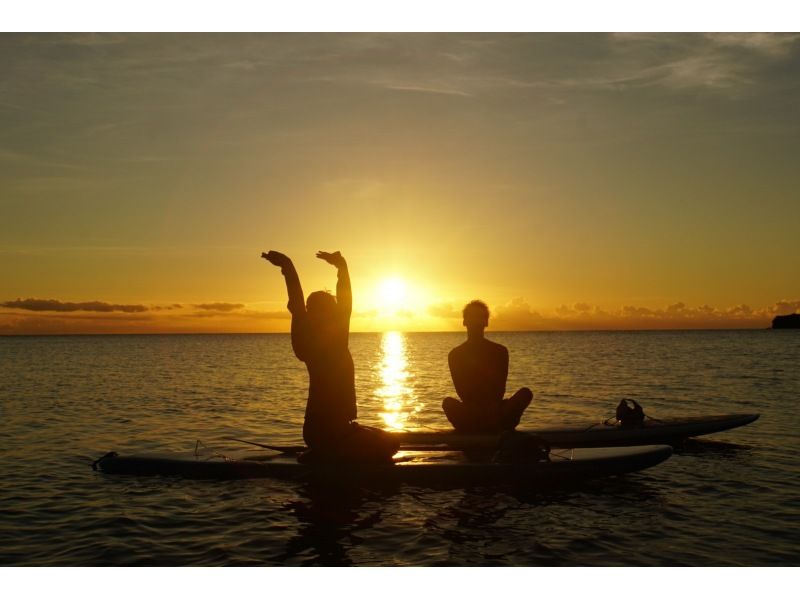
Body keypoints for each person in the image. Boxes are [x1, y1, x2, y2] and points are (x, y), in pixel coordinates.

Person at [262, 249, 399, 463]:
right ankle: (326, 454)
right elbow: (301, 302)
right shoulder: (323, 344)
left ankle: (328, 451)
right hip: (328, 433)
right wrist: (289, 266)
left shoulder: (319, 341)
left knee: (386, 439)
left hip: (327, 431)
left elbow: (308, 304)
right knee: (390, 445)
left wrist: (290, 266)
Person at [442, 300, 533, 433]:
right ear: (464, 321)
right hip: (472, 412)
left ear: (486, 322)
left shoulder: (500, 351)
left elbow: (499, 389)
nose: (475, 321)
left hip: (496, 410)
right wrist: (477, 408)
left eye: (479, 317)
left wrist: (492, 407)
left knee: (525, 393)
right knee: (448, 403)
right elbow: (462, 392)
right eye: (471, 317)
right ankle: (489, 424)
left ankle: (488, 424)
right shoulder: (455, 354)